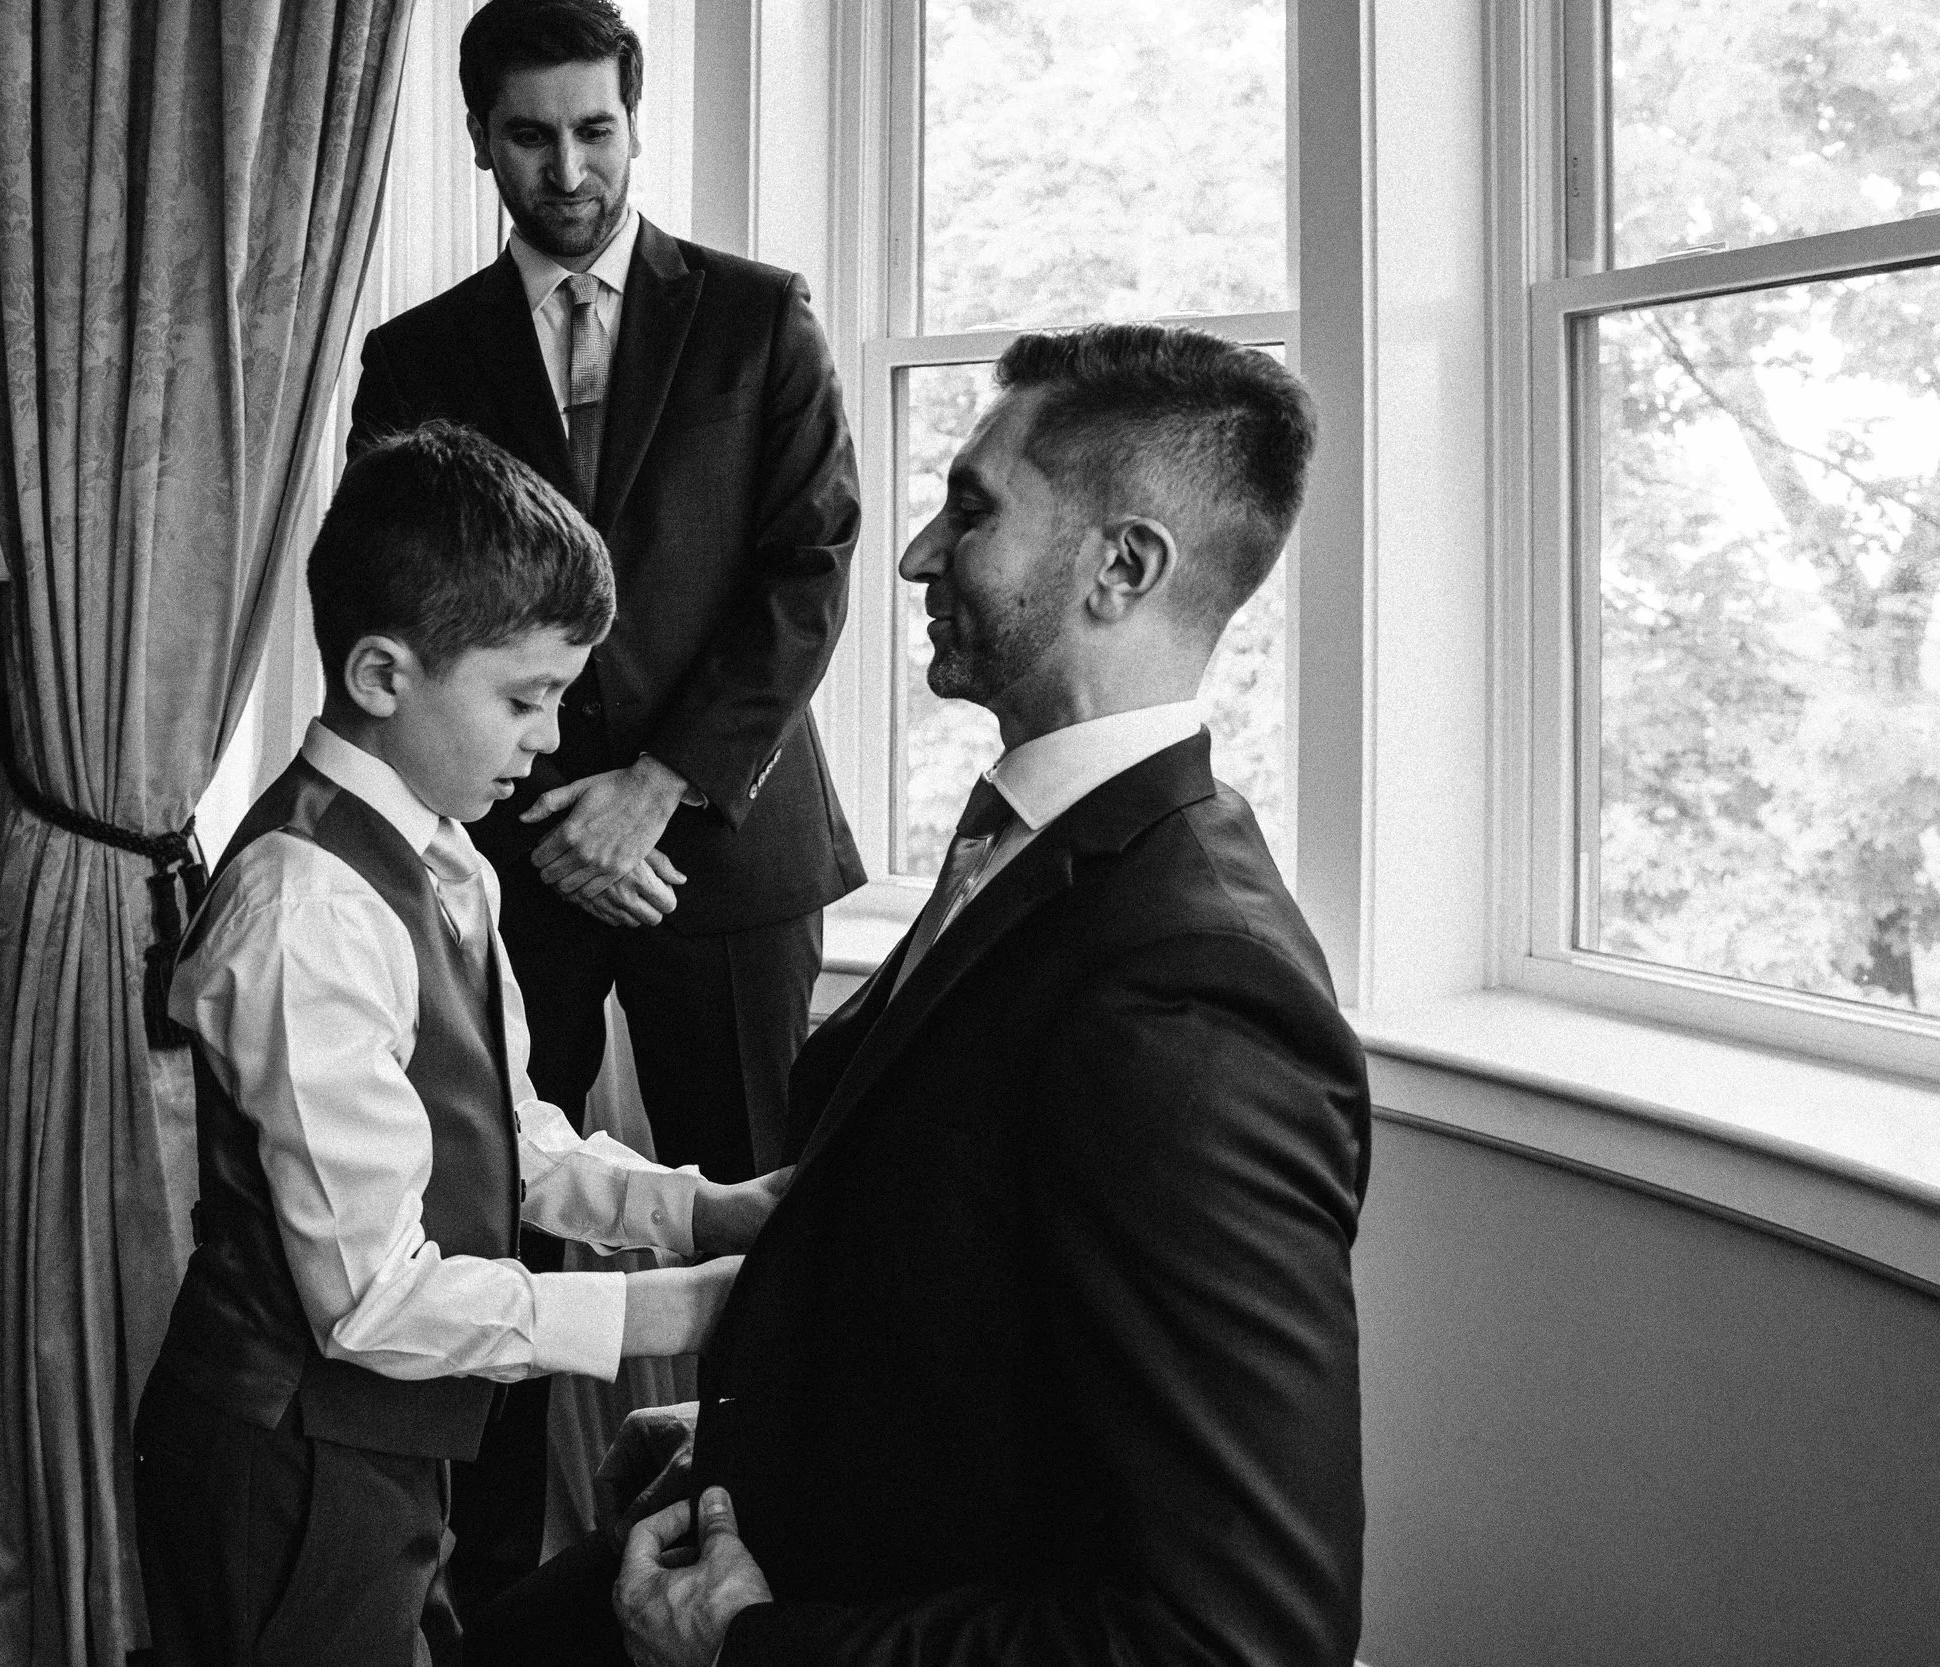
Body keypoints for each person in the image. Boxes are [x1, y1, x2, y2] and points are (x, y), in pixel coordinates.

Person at [477, 324, 1374, 1667]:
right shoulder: (1038, 844)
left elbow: (1232, 1633)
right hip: (780, 1512)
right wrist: (748, 1431)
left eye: (973, 507)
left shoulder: (1191, 997)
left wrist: (749, 1639)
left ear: (1121, 566)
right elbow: (954, 1278)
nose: (913, 555)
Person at [349, 0, 863, 1592]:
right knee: (487, 1204)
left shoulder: (759, 317)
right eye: (528, 134)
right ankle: (494, 1587)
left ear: (636, 123)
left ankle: (762, 1573)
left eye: (593, 128)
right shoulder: (415, 356)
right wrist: (559, 817)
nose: (565, 166)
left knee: (760, 1229)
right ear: (480, 137)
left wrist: (656, 784)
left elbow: (810, 566)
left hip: (729, 840)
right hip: (513, 854)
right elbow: (418, 606)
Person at [131, 423, 786, 1667]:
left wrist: (707, 1211)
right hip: (285, 1449)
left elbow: (508, 1128)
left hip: (392, 1431)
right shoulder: (305, 907)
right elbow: (375, 1296)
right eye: (524, 697)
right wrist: (683, 1309)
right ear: (381, 675)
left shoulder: (447, 854)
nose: (549, 738)